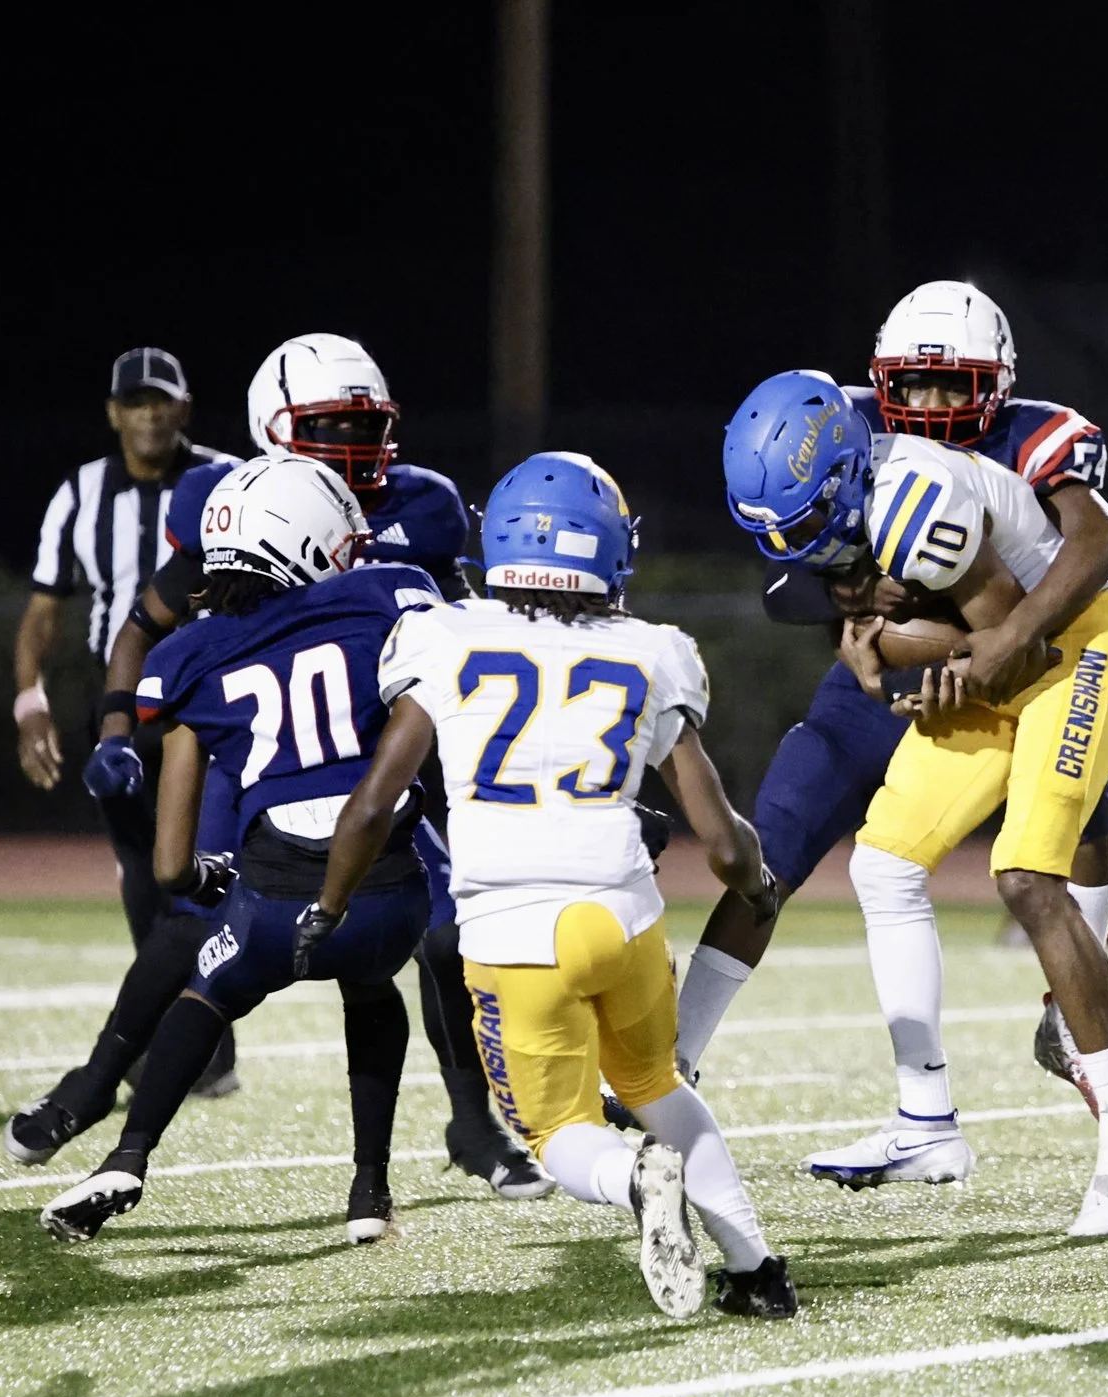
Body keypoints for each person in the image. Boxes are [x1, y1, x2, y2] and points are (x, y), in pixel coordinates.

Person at [311, 452, 795, 1320]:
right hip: (622, 916)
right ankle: (757, 1271)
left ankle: (634, 1179)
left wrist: (329, 905)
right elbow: (722, 837)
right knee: (657, 1086)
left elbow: (374, 805)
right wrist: (757, 884)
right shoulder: (653, 650)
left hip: (513, 930)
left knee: (560, 1133)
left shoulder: (441, 636)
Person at [70, 333, 549, 1198]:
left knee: (444, 933)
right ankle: (95, 1089)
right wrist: (115, 730)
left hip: (377, 755)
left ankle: (469, 1125)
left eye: (366, 425)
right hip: (259, 751)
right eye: (330, 425)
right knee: (187, 918)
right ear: (274, 426)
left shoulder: (422, 509)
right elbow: (149, 620)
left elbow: (467, 632)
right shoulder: (232, 502)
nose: (354, 444)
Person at [675, 282, 1108, 1156]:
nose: (929, 403)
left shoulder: (1038, 436)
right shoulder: (842, 428)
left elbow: (1098, 543)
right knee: (776, 843)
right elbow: (781, 581)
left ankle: (1066, 1020)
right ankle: (676, 1057)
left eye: (954, 384)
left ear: (997, 382)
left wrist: (1003, 642)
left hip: (1013, 666)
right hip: (886, 678)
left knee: (1083, 817)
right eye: (912, 384)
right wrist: (849, 597)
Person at [729, 368, 1108, 1238]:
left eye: (809, 519)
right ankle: (925, 1122)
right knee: (884, 864)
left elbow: (1012, 647)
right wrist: (888, 647)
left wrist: (920, 670)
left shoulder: (911, 505)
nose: (801, 543)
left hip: (1074, 644)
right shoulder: (866, 495)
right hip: (1008, 648)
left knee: (1026, 877)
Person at [38, 456, 440, 1245]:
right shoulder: (386, 595)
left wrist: (207, 880)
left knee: (207, 992)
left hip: (274, 901)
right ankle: (370, 1193)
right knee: (371, 986)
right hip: (389, 894)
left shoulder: (191, 657)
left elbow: (168, 866)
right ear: (310, 538)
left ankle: (128, 1156)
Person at [17, 346, 235, 944]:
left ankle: (199, 987)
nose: (150, 415)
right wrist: (30, 698)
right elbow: (43, 608)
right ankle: (164, 983)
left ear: (184, 407)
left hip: (209, 695)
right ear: (114, 412)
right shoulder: (81, 491)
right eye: (136, 403)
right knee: (139, 859)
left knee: (210, 850)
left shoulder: (226, 478)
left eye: (161, 401)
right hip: (120, 700)